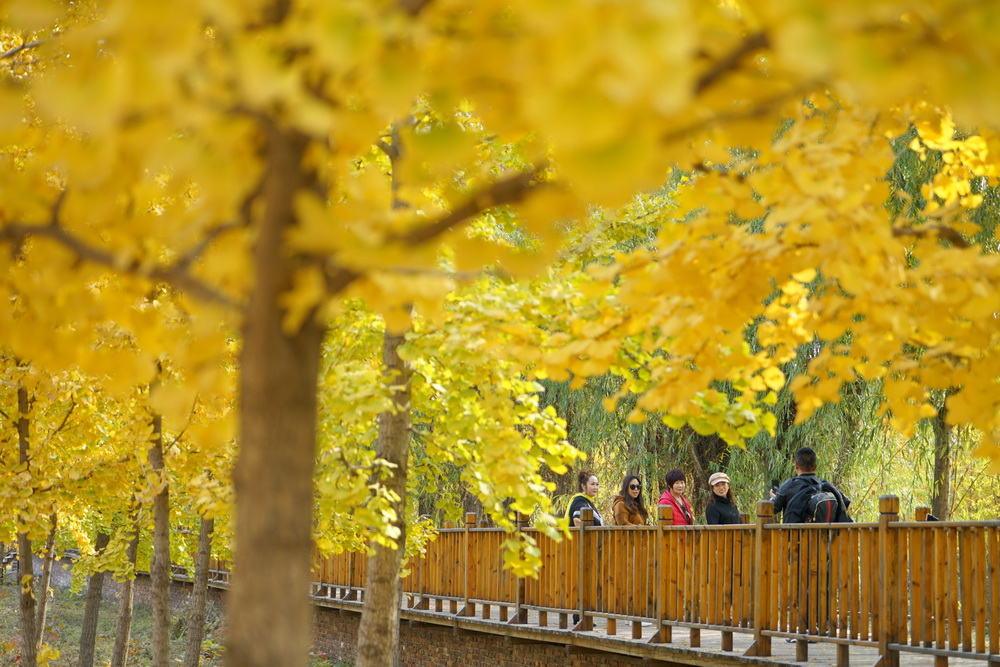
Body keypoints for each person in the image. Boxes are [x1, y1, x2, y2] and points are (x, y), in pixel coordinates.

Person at [771, 446, 851, 523]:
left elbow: (772, 509)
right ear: (815, 467)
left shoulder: (789, 485)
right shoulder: (827, 486)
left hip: (796, 533)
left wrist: (774, 498)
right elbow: (845, 503)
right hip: (826, 533)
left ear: (796, 466)